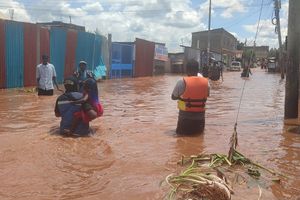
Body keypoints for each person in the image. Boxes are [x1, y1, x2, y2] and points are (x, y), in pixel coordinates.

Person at [171, 59, 210, 135]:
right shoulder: (206, 82)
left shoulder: (182, 82)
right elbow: (207, 95)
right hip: (200, 120)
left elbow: (173, 97)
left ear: (186, 70)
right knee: (199, 142)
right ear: (198, 70)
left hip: (185, 120)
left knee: (181, 142)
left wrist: (182, 98)